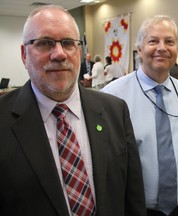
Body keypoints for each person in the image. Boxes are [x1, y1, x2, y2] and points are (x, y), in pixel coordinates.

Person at [0, 5, 146, 216]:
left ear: (79, 51)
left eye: (68, 43)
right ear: (24, 54)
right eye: (44, 43)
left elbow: (132, 198)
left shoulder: (115, 111)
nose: (59, 54)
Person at [102, 15, 178, 216]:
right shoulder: (112, 97)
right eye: (153, 41)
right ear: (139, 49)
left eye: (169, 41)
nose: (162, 47)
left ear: (177, 50)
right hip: (136, 208)